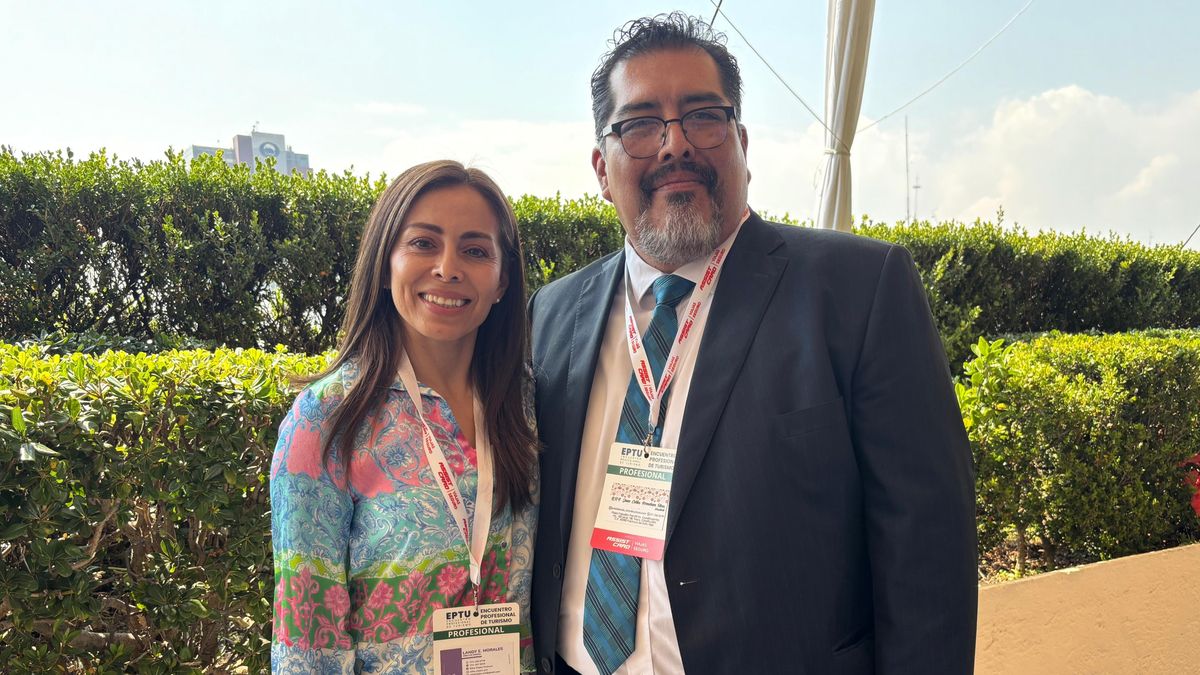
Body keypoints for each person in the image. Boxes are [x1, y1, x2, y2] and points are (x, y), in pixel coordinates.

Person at [528, 13, 976, 675]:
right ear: (601, 166)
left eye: (702, 115)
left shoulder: (858, 289)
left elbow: (927, 553)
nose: (674, 144)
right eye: (642, 122)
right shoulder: (553, 312)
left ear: (740, 140)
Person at [271, 160, 539, 673]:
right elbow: (305, 644)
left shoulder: (526, 404)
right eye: (422, 243)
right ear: (385, 261)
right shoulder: (325, 421)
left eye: (476, 250)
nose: (447, 268)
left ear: (503, 281)